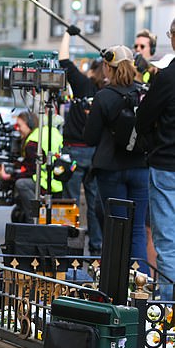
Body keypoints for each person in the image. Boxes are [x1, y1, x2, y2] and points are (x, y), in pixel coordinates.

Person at [83, 45, 149, 274]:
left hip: (110, 168)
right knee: (137, 229)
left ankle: (115, 285)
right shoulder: (144, 93)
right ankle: (142, 287)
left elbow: (90, 138)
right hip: (141, 166)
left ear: (107, 68)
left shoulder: (103, 96)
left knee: (115, 228)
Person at [136, 17, 175, 299]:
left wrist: (152, 145)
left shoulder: (168, 77)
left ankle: (169, 311)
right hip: (164, 164)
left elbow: (144, 118)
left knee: (167, 242)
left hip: (166, 166)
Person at [58, 30, 105, 255]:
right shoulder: (109, 92)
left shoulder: (83, 85)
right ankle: (97, 250)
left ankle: (71, 250)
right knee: (95, 204)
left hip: (75, 150)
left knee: (71, 202)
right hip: (97, 153)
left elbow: (64, 60)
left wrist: (68, 34)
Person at [0, 111, 64, 224]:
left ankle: (32, 218)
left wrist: (9, 176)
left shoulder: (32, 143)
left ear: (30, 125)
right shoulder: (47, 133)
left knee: (21, 183)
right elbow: (31, 163)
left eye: (19, 125)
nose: (17, 129)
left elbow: (31, 170)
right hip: (56, 181)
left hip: (45, 183)